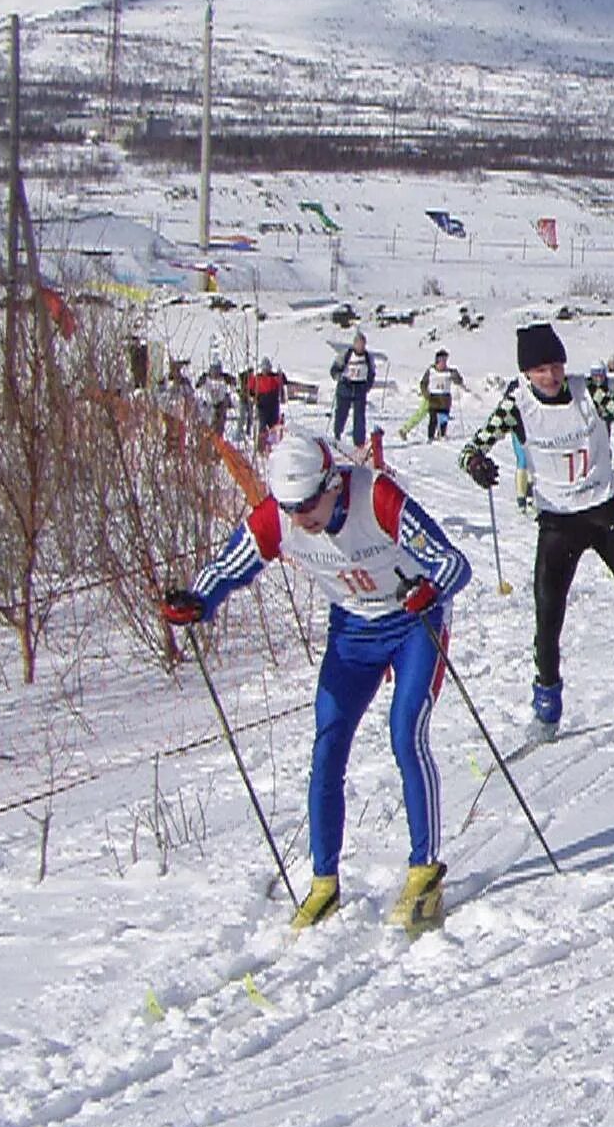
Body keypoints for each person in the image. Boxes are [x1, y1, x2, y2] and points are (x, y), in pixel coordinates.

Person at [162, 433, 470, 934]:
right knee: (327, 747)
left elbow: (453, 564)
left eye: (308, 504)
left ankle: (425, 871)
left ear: (332, 484)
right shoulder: (278, 517)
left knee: (405, 732)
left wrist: (428, 588)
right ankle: (323, 883)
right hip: (351, 630)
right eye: (290, 506)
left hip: (414, 623)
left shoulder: (377, 497)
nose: (299, 517)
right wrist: (199, 601)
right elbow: (231, 566)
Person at [459, 322, 614, 746]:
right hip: (557, 519)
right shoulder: (517, 405)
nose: (551, 375)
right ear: (527, 373)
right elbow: (472, 448)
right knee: (548, 614)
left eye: (556, 365)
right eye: (541, 369)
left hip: (601, 509)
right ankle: (546, 708)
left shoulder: (590, 392)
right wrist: (476, 465)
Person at [329, 332, 376, 446]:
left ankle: (359, 442)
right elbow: (334, 369)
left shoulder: (368, 357)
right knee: (341, 413)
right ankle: (337, 435)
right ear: (354, 344)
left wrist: (368, 386)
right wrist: (338, 376)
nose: (361, 347)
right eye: (359, 344)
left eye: (363, 344)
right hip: (346, 386)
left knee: (359, 417)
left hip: (360, 388)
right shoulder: (346, 354)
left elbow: (372, 373)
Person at [247, 360, 288, 449]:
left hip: (273, 406)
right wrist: (253, 397)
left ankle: (273, 446)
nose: (265, 371)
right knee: (262, 427)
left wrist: (281, 375)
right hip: (262, 407)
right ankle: (260, 447)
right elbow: (249, 389)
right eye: (264, 369)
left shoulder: (274, 377)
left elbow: (284, 381)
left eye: (267, 369)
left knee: (273, 427)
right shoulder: (257, 378)